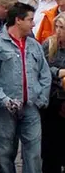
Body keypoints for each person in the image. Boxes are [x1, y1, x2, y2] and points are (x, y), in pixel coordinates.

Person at [0, 2, 51, 173]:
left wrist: (41, 98)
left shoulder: (35, 46)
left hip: (31, 108)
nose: (33, 24)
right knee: (5, 153)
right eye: (30, 20)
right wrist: (4, 100)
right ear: (18, 20)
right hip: (4, 111)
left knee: (33, 154)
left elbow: (45, 74)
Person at [41, 14, 65, 173]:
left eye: (62, 27)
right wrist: (58, 73)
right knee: (50, 149)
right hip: (51, 102)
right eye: (56, 26)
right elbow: (41, 69)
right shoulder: (48, 44)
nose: (58, 31)